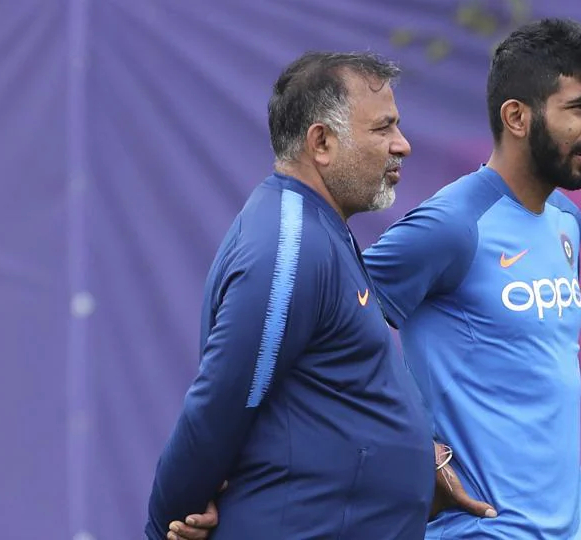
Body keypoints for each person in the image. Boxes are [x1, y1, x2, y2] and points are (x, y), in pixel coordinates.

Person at [175, 16, 581, 540]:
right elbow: (333, 330)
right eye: (580, 108)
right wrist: (416, 451)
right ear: (517, 117)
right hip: (479, 530)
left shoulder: (568, 220)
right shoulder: (452, 225)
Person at [145, 51, 439, 540]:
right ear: (321, 142)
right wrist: (168, 525)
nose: (402, 145)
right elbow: (218, 407)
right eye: (383, 128)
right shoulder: (290, 249)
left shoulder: (320, 229)